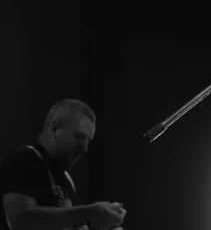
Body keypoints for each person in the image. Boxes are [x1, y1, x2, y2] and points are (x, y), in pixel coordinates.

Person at [0, 98, 127, 230]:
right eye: (79, 137)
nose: (85, 149)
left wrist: (99, 226)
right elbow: (20, 221)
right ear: (54, 129)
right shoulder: (22, 161)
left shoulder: (65, 177)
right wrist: (90, 212)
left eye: (88, 141)